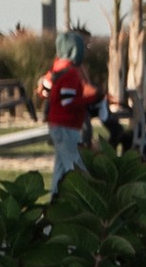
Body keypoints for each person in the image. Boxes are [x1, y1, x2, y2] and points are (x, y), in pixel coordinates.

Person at [37, 35, 101, 192]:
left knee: (60, 168)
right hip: (67, 126)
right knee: (76, 166)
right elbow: (68, 102)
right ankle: (84, 200)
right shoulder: (71, 74)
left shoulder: (55, 69)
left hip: (56, 124)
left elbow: (45, 92)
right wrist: (91, 97)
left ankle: (55, 201)